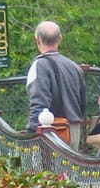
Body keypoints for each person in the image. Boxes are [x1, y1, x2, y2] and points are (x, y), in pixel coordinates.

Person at [24, 20, 87, 148]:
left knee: (47, 168)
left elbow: (39, 103)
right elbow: (83, 103)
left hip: (52, 131)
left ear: (37, 40)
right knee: (70, 167)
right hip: (73, 129)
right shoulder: (74, 67)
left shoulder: (39, 65)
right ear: (60, 39)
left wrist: (31, 132)